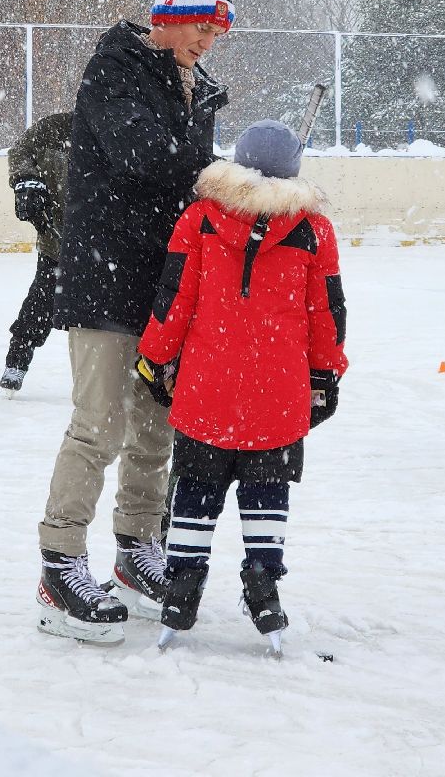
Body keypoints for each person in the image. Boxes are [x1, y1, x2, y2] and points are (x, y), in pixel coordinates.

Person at [34, 0, 233, 645]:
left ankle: (135, 549)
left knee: (156, 424)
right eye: (202, 26)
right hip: (103, 274)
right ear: (168, 17)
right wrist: (222, 176)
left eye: (219, 30)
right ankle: (60, 564)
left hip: (164, 285)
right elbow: (144, 157)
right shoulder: (115, 70)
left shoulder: (197, 87)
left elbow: (185, 180)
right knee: (100, 425)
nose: (210, 41)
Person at [135, 119, 348, 651]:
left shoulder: (201, 218)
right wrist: (326, 373)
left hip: (207, 385)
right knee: (266, 492)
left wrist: (154, 357)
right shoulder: (313, 230)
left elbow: (173, 297)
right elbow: (328, 312)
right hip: (279, 391)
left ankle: (182, 585)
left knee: (196, 492)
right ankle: (263, 583)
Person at [0, 111, 73, 394]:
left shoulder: (121, 129)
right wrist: (27, 182)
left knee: (104, 323)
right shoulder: (57, 127)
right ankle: (16, 361)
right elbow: (21, 151)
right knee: (39, 305)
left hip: (105, 248)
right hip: (56, 243)